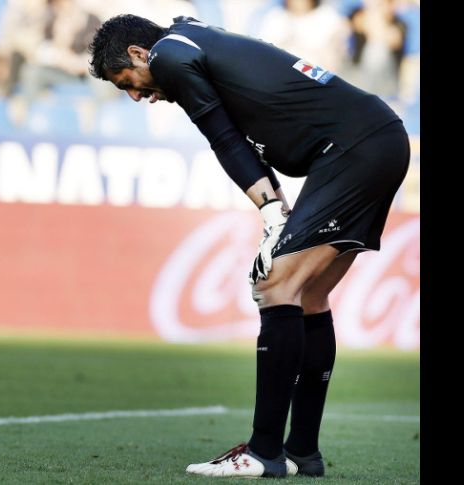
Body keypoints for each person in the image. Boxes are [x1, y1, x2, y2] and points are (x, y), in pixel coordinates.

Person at [88, 14, 409, 478]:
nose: (138, 95)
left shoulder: (169, 56)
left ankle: (263, 452)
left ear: (140, 54)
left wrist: (272, 214)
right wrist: (275, 214)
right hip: (376, 138)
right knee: (309, 294)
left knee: (275, 286)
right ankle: (302, 452)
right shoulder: (193, 40)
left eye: (128, 83)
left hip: (353, 147)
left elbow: (225, 140)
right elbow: (244, 140)